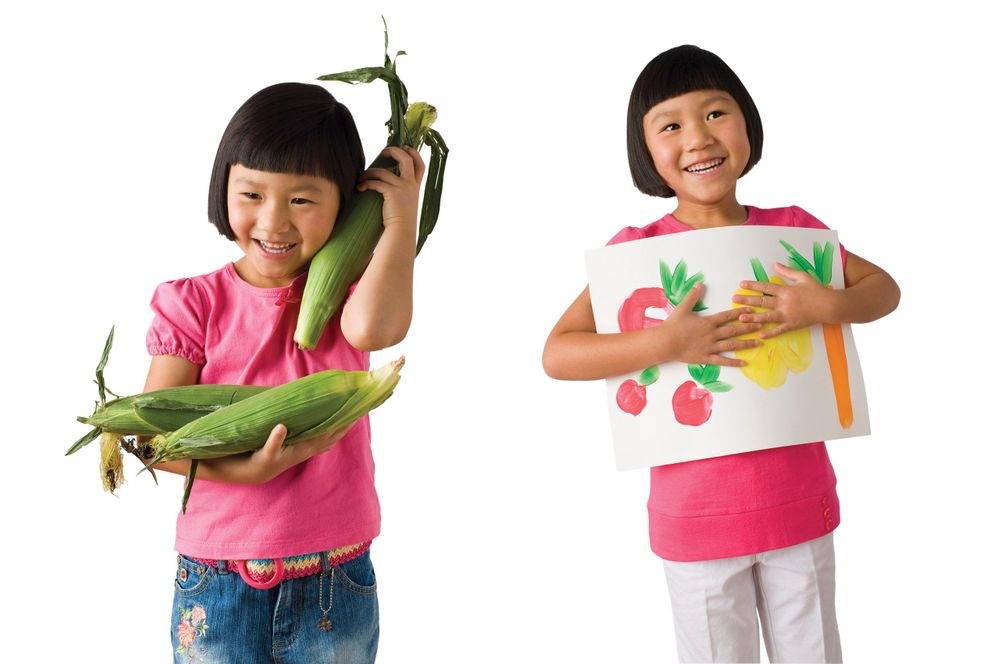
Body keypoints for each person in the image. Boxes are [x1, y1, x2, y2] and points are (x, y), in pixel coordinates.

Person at [542, 45, 899, 663]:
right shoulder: (635, 255)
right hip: (695, 521)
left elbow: (883, 290)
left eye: (716, 113)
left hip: (799, 505)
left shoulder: (794, 231)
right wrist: (669, 341)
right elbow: (558, 353)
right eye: (671, 125)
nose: (699, 138)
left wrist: (822, 306)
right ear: (646, 151)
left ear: (746, 125)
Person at [143, 82, 424, 664]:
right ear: (223, 189)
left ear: (345, 203)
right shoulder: (192, 302)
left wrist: (398, 223)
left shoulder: (350, 295)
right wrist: (245, 471)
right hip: (216, 577)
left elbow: (375, 332)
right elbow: (154, 440)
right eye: (251, 193)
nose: (273, 221)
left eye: (302, 200)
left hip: (333, 574)